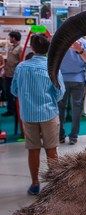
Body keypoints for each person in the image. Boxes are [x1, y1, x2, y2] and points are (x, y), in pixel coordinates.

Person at [11, 34, 65, 195]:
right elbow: (60, 92)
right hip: (48, 114)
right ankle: (54, 184)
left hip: (28, 115)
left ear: (32, 48)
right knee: (51, 150)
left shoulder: (21, 67)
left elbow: (14, 90)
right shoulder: (52, 67)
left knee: (33, 150)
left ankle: (35, 184)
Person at [58, 38, 86, 145]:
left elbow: (54, 61)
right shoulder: (85, 43)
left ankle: (60, 135)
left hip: (62, 80)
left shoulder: (61, 40)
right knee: (77, 109)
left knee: (60, 108)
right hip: (78, 79)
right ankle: (73, 136)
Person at [3, 31, 22, 118]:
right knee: (8, 93)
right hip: (8, 74)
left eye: (10, 37)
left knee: (13, 93)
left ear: (14, 38)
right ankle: (10, 109)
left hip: (14, 75)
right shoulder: (11, 47)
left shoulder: (20, 48)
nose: (9, 39)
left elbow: (21, 62)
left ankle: (14, 110)